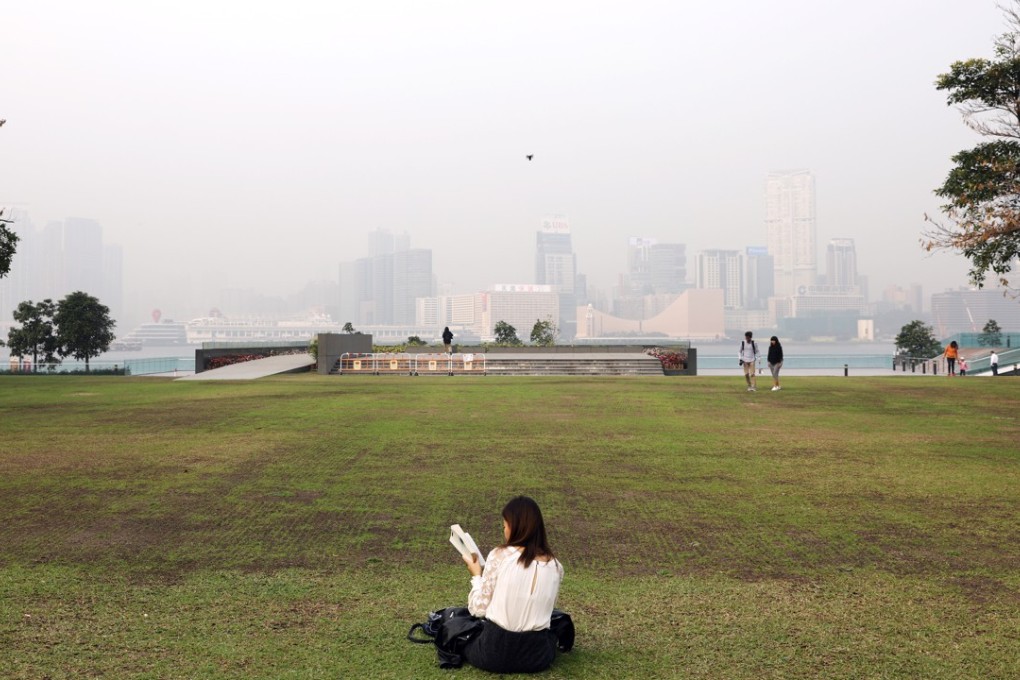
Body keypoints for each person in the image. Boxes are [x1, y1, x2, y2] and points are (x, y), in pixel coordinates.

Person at [461, 496, 564, 674]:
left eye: (504, 525)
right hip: (538, 657)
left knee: (459, 629)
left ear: (515, 526)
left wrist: (477, 575)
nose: (504, 530)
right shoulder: (556, 566)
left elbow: (478, 609)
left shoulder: (500, 555)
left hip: (495, 652)